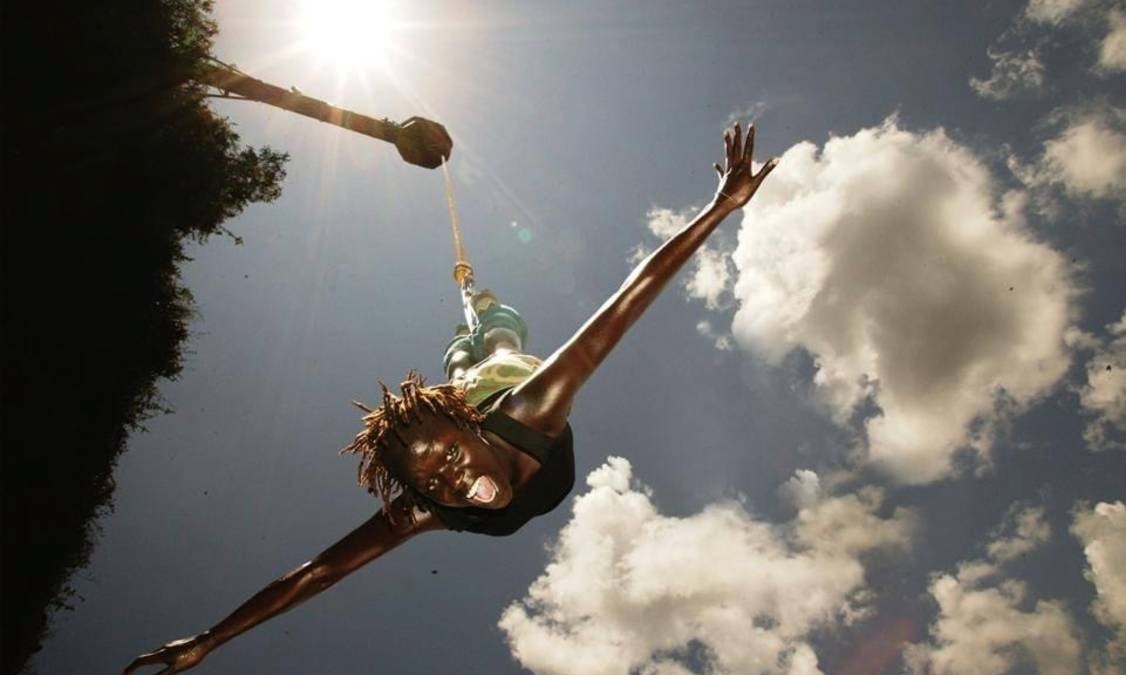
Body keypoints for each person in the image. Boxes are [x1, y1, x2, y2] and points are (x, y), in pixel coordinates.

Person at [124, 123, 778, 674]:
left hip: (496, 379)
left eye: (451, 457)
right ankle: (467, 342)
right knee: (462, 350)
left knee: (488, 345)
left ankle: (481, 325)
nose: (455, 479)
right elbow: (319, 571)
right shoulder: (428, 505)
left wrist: (719, 208)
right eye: (434, 477)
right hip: (462, 385)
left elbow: (621, 308)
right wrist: (212, 637)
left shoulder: (530, 411)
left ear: (471, 429)